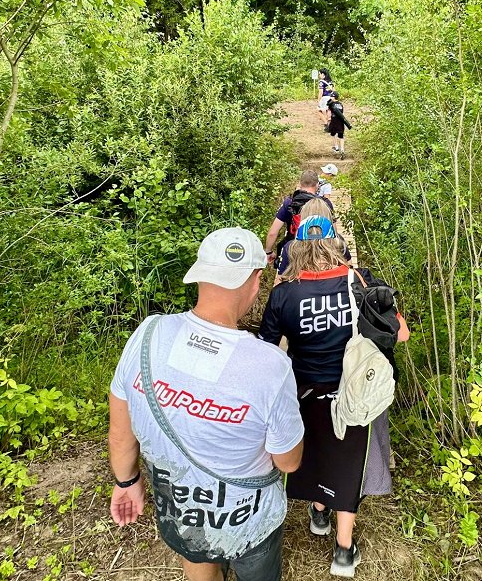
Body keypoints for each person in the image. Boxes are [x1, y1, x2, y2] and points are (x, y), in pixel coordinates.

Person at [108, 227, 305, 581]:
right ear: (256, 280)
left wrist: (126, 482)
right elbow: (288, 462)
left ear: (198, 275)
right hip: (249, 522)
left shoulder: (147, 334)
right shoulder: (270, 366)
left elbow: (121, 432)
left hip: (180, 511)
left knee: (197, 559)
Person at [259, 220, 409, 578]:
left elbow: (266, 350)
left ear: (294, 247)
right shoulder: (359, 284)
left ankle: (318, 513)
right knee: (348, 462)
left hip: (305, 392)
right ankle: (343, 551)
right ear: (337, 243)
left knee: (318, 452)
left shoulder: (283, 294)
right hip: (353, 395)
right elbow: (400, 334)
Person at [263, 170, 334, 269]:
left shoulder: (289, 202)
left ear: (300, 184)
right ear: (317, 184)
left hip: (293, 249)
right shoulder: (325, 203)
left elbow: (273, 232)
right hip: (318, 251)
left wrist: (268, 251)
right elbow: (333, 233)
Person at [274, 198, 351, 280]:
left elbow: (279, 282)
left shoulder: (290, 247)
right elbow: (349, 269)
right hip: (334, 287)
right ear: (328, 218)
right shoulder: (338, 242)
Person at [327, 92, 352, 157]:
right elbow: (341, 112)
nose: (330, 97)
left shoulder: (331, 104)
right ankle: (342, 149)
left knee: (333, 134)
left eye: (331, 96)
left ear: (333, 97)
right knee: (341, 136)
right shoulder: (340, 104)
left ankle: (336, 147)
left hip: (334, 120)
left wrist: (328, 120)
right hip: (341, 121)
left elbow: (329, 112)